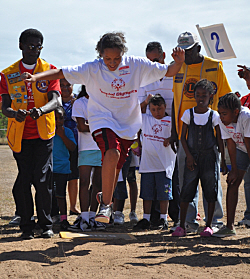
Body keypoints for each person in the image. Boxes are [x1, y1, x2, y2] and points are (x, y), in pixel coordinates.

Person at [21, 31, 184, 224]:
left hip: (128, 125)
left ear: (123, 53)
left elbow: (169, 71)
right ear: (100, 55)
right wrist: (36, 77)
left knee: (115, 168)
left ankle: (103, 197)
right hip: (101, 119)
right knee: (112, 152)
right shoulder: (93, 68)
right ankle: (106, 205)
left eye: (116, 58)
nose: (112, 63)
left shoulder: (136, 65)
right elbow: (62, 72)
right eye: (107, 58)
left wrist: (179, 62)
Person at [0, 28, 61, 239]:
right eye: (30, 46)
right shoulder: (7, 74)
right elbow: (4, 107)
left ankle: (46, 225)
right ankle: (26, 225)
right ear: (21, 46)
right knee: (24, 180)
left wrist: (41, 111)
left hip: (44, 134)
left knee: (43, 179)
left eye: (38, 47)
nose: (34, 50)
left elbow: (56, 100)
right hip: (20, 136)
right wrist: (14, 114)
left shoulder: (49, 70)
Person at [171, 31, 231, 233]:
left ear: (198, 48)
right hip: (185, 138)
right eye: (182, 51)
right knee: (186, 182)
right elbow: (174, 102)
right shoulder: (178, 68)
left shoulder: (215, 66)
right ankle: (188, 223)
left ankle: (214, 222)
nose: (185, 55)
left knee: (211, 182)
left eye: (188, 51)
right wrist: (174, 131)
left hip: (210, 139)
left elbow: (225, 99)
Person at [172, 79, 227, 237]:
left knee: (211, 191)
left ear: (211, 96)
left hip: (209, 158)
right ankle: (182, 225)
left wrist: (222, 159)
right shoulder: (188, 113)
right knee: (187, 190)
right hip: (192, 158)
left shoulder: (214, 115)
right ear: (194, 96)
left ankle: (208, 226)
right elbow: (183, 137)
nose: (201, 98)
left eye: (205, 95)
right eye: (198, 95)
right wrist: (189, 156)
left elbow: (219, 138)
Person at [138, 41, 180, 228]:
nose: (153, 64)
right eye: (149, 61)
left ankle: (174, 215)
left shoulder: (175, 74)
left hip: (173, 131)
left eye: (155, 59)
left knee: (172, 177)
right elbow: (140, 107)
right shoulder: (145, 78)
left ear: (164, 56)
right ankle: (152, 217)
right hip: (150, 135)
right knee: (151, 180)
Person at [134, 94, 176, 230]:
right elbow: (135, 112)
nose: (157, 112)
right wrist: (145, 102)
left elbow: (178, 134)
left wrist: (170, 138)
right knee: (147, 194)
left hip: (164, 165)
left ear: (165, 107)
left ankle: (163, 219)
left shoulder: (170, 121)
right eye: (153, 109)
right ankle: (146, 218)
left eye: (159, 109)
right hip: (147, 165)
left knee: (164, 194)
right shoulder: (146, 119)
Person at [213, 93, 250, 237]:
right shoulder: (222, 120)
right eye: (220, 113)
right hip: (241, 149)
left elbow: (248, 142)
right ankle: (229, 227)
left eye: (224, 114)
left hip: (248, 145)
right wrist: (234, 170)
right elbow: (231, 144)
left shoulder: (245, 117)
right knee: (232, 182)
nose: (221, 117)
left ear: (235, 112)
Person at [69, 85, 104, 231]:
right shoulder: (80, 102)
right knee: (84, 182)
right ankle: (83, 218)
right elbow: (82, 127)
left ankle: (91, 217)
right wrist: (102, 125)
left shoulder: (105, 101)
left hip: (102, 147)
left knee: (98, 184)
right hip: (86, 148)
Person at [52, 106, 76, 231]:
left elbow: (72, 148)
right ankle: (46, 217)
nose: (58, 121)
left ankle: (64, 219)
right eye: (55, 118)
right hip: (48, 168)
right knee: (47, 194)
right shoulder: (47, 131)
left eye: (60, 118)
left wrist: (62, 135)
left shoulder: (67, 132)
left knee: (60, 194)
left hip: (62, 168)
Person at [60, 78, 80, 216]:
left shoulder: (79, 101)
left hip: (75, 143)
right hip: (57, 144)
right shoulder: (54, 101)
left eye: (69, 85)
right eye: (62, 85)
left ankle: (73, 207)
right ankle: (57, 208)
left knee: (74, 177)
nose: (66, 88)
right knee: (58, 177)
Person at [237, 65, 250, 226]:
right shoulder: (244, 100)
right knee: (248, 182)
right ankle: (248, 215)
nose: (247, 80)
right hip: (245, 146)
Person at [113, 149, 139, 225]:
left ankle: (133, 212)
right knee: (119, 180)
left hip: (130, 149)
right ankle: (116, 212)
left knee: (131, 179)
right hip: (119, 150)